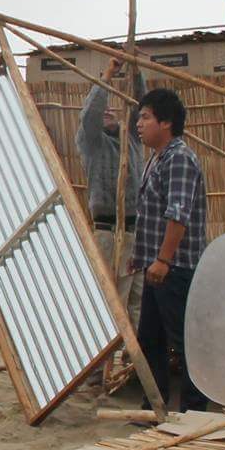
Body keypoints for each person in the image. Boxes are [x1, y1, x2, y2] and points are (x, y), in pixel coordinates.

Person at [127, 87, 209, 412]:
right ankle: (155, 407)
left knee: (183, 341)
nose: (139, 124)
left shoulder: (179, 158)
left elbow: (178, 214)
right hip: (154, 268)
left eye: (145, 117)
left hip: (173, 268)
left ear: (166, 122)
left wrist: (163, 260)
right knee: (151, 340)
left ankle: (194, 411)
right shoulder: (156, 159)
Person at [76, 69, 145, 331]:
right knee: (111, 297)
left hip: (136, 233)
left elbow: (141, 106)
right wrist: (106, 76)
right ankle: (103, 363)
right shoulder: (92, 141)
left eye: (110, 109)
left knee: (138, 300)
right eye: (102, 109)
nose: (107, 112)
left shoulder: (132, 140)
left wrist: (135, 71)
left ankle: (133, 360)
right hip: (109, 231)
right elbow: (90, 115)